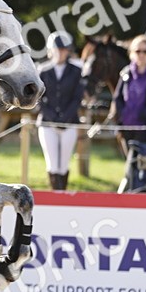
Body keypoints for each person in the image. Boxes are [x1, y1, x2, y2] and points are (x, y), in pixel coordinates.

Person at [37, 31, 86, 190]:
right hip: (47, 122)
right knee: (52, 163)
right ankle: (54, 192)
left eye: (64, 50)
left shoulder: (76, 70)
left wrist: (65, 117)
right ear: (51, 50)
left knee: (64, 163)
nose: (61, 53)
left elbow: (77, 98)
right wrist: (52, 118)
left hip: (69, 121)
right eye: (58, 50)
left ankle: (62, 193)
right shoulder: (43, 70)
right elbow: (40, 99)